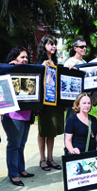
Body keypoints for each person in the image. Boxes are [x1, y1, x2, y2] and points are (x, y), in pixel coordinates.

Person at [1, 46, 35, 186]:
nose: (25, 59)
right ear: (14, 59)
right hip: (13, 116)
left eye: (26, 57)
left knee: (21, 145)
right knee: (14, 145)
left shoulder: (29, 73)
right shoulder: (8, 71)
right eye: (22, 57)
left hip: (26, 115)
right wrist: (10, 69)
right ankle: (13, 174)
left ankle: (21, 169)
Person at [35, 35, 64, 171]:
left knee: (52, 130)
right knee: (43, 130)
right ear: (44, 45)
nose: (53, 46)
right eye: (50, 44)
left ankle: (50, 158)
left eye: (54, 44)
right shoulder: (40, 62)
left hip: (55, 102)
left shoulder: (56, 62)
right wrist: (42, 68)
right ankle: (42, 159)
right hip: (44, 103)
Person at [64, 38, 88, 125]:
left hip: (82, 98)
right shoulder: (69, 62)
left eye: (85, 46)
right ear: (75, 48)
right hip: (72, 99)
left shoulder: (85, 62)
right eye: (81, 47)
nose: (84, 49)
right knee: (70, 122)